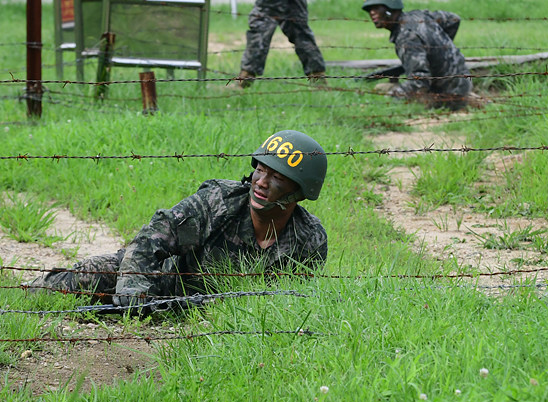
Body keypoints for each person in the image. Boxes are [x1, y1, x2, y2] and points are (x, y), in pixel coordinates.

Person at [27, 130, 328, 312]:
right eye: (260, 170)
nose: (261, 182)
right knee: (67, 283)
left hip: (202, 309)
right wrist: (132, 293)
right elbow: (149, 241)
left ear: (298, 192)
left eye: (276, 178)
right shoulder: (219, 201)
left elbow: (288, 300)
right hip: (159, 278)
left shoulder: (310, 239)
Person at [361, 0, 475, 110]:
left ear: (390, 8)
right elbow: (453, 19)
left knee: (381, 90)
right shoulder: (419, 16)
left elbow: (420, 82)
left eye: (377, 8)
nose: (372, 13)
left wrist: (390, 100)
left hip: (446, 96)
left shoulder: (406, 37)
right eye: (369, 10)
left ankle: (461, 102)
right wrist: (439, 50)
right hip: (464, 81)